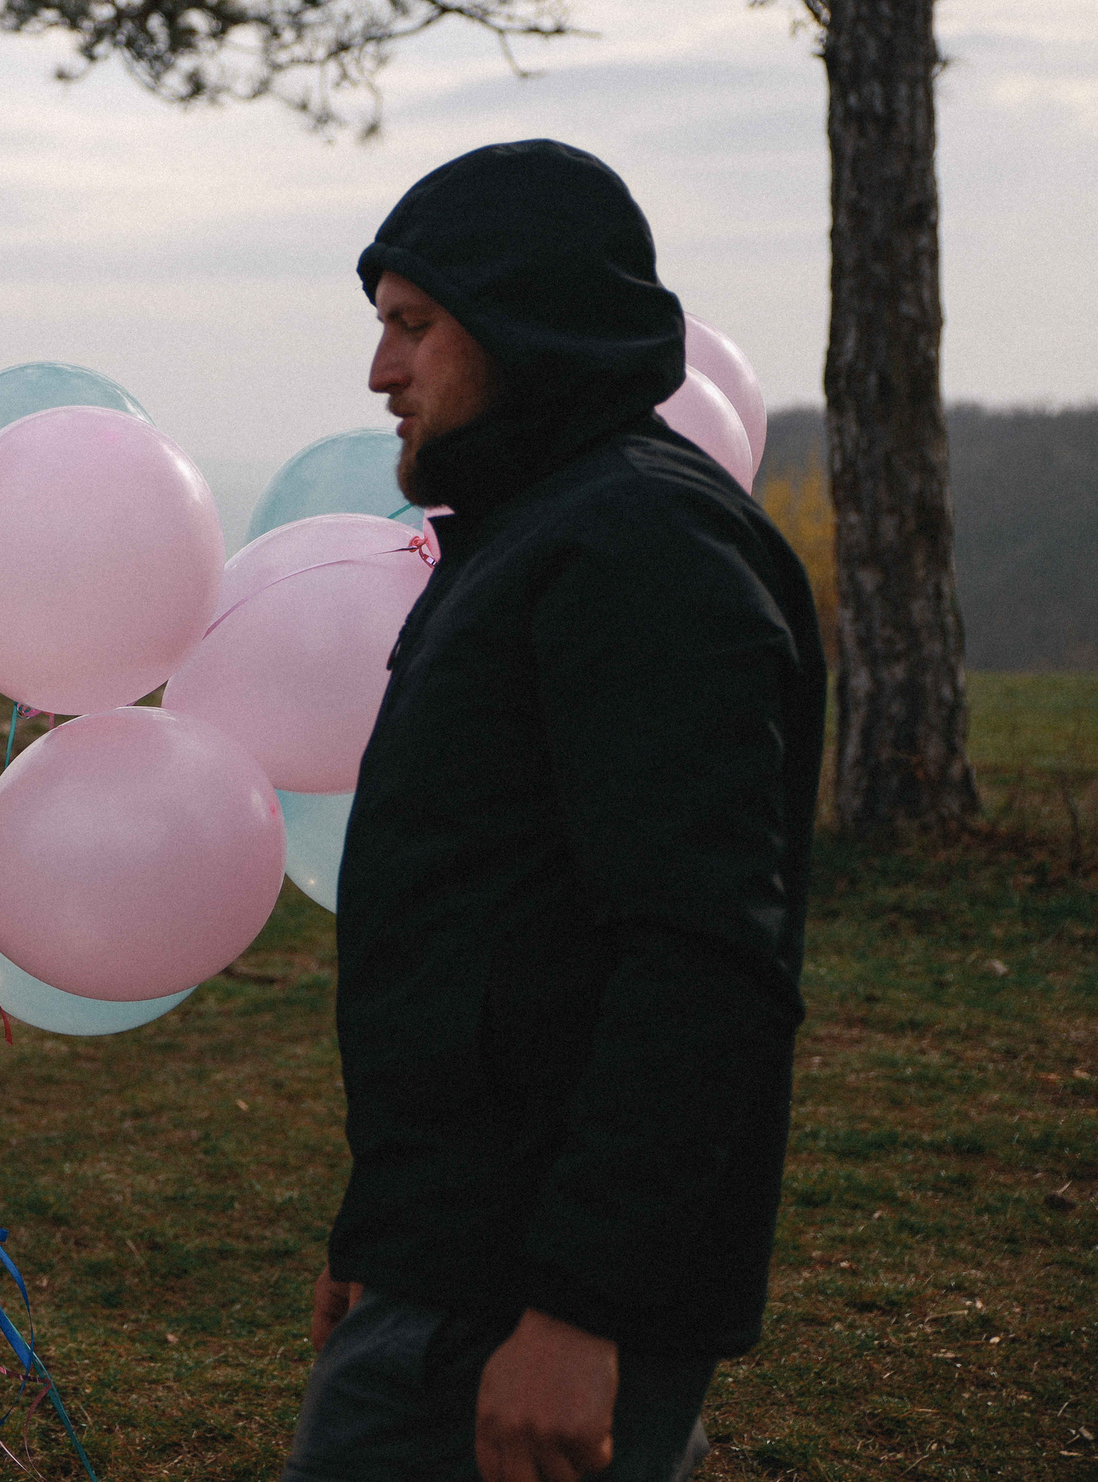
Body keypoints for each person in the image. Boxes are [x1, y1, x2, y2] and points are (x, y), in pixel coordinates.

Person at [282, 141, 825, 1482]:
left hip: (523, 1307)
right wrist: (384, 1238)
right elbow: (478, 933)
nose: (379, 372)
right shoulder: (533, 533)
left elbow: (697, 963)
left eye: (413, 326)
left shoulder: (644, 553)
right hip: (453, 1271)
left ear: (521, 322)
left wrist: (582, 1311)